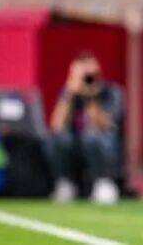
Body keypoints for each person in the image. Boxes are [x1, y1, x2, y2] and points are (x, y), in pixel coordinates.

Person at [49, 52, 124, 205]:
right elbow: (56, 125)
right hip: (75, 145)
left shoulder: (111, 92)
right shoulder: (69, 93)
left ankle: (103, 182)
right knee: (59, 139)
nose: (86, 79)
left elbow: (103, 126)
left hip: (102, 146)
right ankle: (65, 184)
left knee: (92, 138)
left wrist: (92, 97)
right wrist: (69, 93)